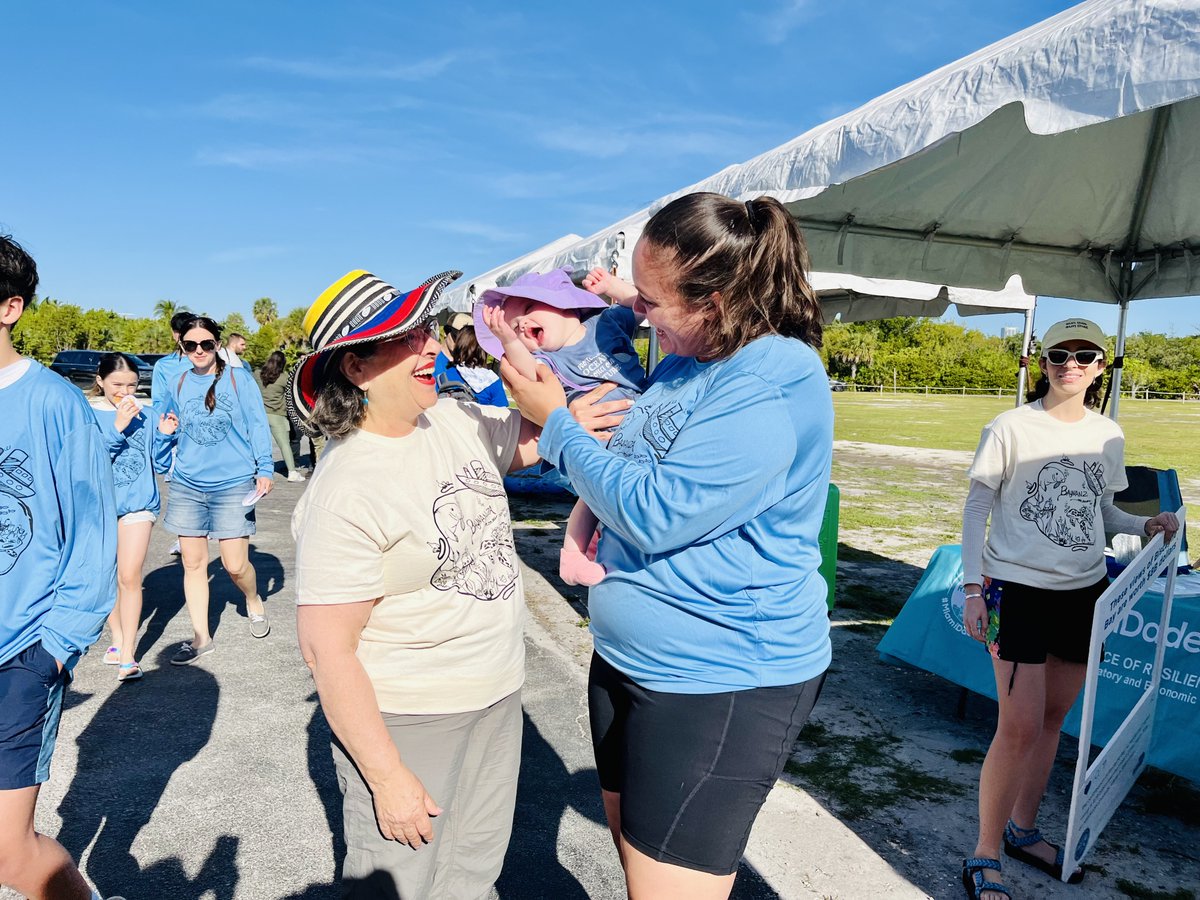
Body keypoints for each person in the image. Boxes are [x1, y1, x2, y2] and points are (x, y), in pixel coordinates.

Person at [499, 193, 833, 899]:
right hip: (629, 660)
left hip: (720, 677)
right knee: (638, 870)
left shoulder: (772, 378)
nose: (636, 314)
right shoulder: (689, 355)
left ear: (714, 301)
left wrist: (555, 426)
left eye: (649, 301)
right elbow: (640, 445)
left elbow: (656, 513)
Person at [290, 268, 543, 899]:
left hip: (496, 694)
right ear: (354, 368)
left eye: (427, 330)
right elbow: (328, 650)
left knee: (473, 873)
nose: (431, 346)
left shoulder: (454, 420)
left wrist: (527, 347)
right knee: (401, 883)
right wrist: (386, 776)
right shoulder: (346, 489)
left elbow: (539, 437)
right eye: (405, 337)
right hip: (413, 717)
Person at [959, 318, 1180, 900]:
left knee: (1052, 722)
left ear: (1101, 367)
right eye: (1060, 354)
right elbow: (975, 509)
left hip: (1083, 594)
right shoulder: (1009, 426)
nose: (1071, 365)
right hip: (1017, 590)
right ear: (1043, 361)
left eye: (1085, 356)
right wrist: (973, 588)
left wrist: (1146, 524)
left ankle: (1022, 831)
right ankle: (984, 853)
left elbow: (1098, 512)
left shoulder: (1108, 435)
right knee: (1019, 726)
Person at [0, 235, 122, 900]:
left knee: (11, 854)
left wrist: (54, 648)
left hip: (21, 651)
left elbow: (92, 531)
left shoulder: (53, 402)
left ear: (10, 306)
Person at [476, 266, 645, 586]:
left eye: (527, 309)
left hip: (640, 424)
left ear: (566, 304)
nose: (522, 324)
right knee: (593, 498)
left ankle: (598, 545)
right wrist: (510, 341)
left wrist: (613, 285)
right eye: (515, 327)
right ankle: (573, 556)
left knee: (616, 500)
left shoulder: (606, 323)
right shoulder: (549, 361)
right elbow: (527, 371)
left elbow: (640, 305)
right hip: (600, 440)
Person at [160, 316, 275, 664]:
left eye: (206, 344)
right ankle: (201, 638)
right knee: (193, 564)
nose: (199, 351)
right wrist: (164, 433)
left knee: (235, 564)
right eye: (190, 345)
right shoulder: (177, 380)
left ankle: (253, 600)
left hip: (233, 483)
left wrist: (264, 468)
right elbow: (165, 424)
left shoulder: (238, 379)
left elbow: (257, 423)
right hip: (187, 483)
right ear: (182, 346)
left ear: (217, 344)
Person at [89, 353, 178, 681]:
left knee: (129, 575)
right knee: (108, 576)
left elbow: (159, 462)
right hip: (99, 506)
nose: (125, 391)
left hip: (139, 504)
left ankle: (128, 653)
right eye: (117, 385)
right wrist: (118, 427)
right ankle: (117, 637)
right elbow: (91, 461)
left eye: (132, 384)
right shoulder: (88, 415)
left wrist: (166, 434)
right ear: (100, 381)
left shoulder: (148, 413)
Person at [436, 313, 507, 407]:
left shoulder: (443, 376)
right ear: (446, 332)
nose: (458, 343)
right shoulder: (430, 361)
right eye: (456, 336)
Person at [255, 350, 305, 482]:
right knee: (284, 444)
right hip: (277, 415)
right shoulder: (284, 377)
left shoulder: (257, 374)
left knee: (256, 444)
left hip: (259, 415)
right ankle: (292, 473)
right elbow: (292, 395)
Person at [150, 309, 195, 407]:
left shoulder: (207, 360)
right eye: (179, 331)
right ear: (173, 333)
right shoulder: (163, 365)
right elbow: (159, 401)